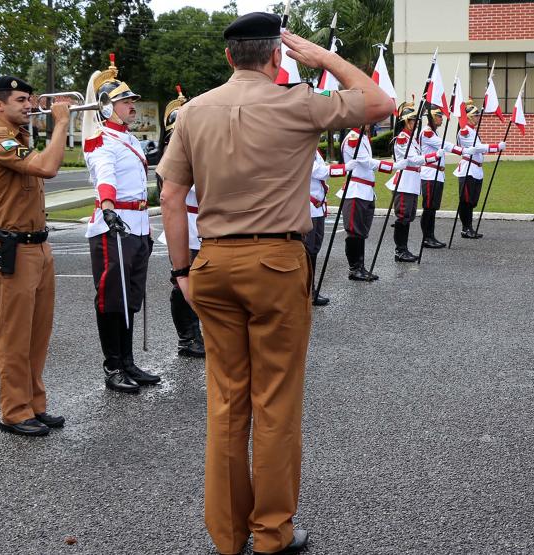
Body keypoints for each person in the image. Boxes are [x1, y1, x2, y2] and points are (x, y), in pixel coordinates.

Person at [157, 12, 393, 554]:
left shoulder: (192, 112)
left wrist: (181, 270)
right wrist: (324, 57)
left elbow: (170, 195)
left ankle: (227, 534)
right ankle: (271, 533)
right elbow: (380, 102)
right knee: (275, 403)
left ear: (228, 56)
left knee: (226, 402)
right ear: (277, 55)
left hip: (213, 262)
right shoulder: (298, 102)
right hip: (275, 262)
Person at [0, 76, 69, 436]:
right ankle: (14, 412)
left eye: (30, 99)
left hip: (38, 246)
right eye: (20, 100)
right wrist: (61, 123)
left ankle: (34, 404)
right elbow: (48, 167)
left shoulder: (19, 138)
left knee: (37, 334)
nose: (29, 105)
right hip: (13, 249)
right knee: (15, 337)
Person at [83, 56, 160, 393]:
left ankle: (128, 361)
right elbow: (105, 175)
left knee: (131, 298)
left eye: (131, 101)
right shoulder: (101, 140)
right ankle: (113, 366)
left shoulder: (129, 139)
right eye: (125, 102)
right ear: (106, 108)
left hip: (137, 226)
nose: (132, 106)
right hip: (113, 226)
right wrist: (108, 206)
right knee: (111, 298)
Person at [157, 92, 206, 357]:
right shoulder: (173, 154)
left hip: (201, 224)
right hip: (184, 223)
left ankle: (197, 333)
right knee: (182, 281)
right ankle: (187, 337)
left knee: (202, 282)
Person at [337, 125, 402, 281]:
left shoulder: (364, 137)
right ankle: (354, 269)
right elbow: (366, 162)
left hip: (365, 190)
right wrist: (393, 166)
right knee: (354, 231)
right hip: (356, 190)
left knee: (361, 232)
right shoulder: (353, 138)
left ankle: (360, 267)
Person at [389, 101, 439, 262]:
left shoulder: (412, 139)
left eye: (417, 121)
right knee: (403, 216)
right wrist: (433, 156)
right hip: (405, 181)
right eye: (413, 121)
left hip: (412, 181)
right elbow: (413, 159)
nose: (416, 123)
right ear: (405, 121)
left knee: (409, 216)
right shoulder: (402, 138)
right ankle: (400, 251)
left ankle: (404, 249)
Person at [453, 101, 505, 238]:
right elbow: (476, 148)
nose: (478, 117)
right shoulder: (464, 131)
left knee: (472, 201)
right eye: (475, 115)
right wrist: (496, 147)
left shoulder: (472, 131)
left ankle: (469, 228)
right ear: (469, 117)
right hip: (468, 169)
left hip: (476, 169)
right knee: (466, 201)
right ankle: (466, 228)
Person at [306, 149, 347, 305]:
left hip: (317, 206)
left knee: (315, 248)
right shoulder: (305, 147)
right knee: (308, 250)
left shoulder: (315, 150)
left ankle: (311, 289)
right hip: (307, 207)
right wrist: (345, 168)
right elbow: (319, 172)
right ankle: (306, 291)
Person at [418, 105, 463, 248]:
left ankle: (431, 236)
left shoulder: (433, 132)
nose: (441, 118)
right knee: (429, 207)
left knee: (433, 208)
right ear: (431, 117)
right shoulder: (427, 133)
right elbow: (444, 145)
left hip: (437, 174)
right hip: (429, 174)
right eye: (438, 116)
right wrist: (462, 151)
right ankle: (427, 238)